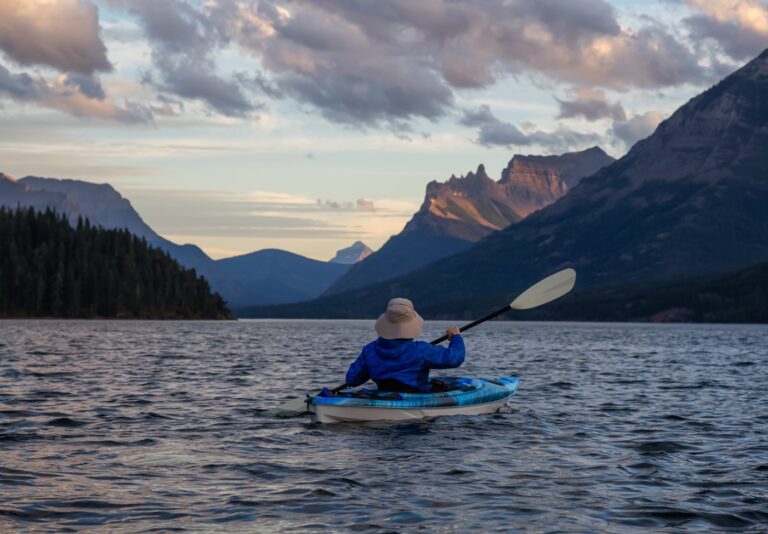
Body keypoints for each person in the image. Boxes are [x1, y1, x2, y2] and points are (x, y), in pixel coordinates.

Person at [345, 298, 465, 393]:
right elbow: (455, 358)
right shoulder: (421, 350)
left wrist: (371, 368)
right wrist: (456, 337)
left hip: (385, 396)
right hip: (417, 400)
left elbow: (352, 380)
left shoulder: (370, 350)